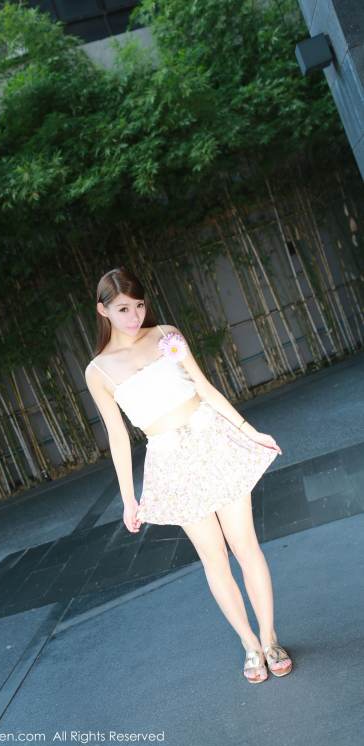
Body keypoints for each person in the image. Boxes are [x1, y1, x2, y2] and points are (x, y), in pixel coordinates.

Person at [84, 267, 293, 684]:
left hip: (211, 439)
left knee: (245, 544)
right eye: (123, 309)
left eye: (138, 305)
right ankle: (250, 645)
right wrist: (128, 498)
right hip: (169, 459)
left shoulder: (166, 334)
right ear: (103, 310)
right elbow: (118, 437)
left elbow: (205, 388)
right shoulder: (98, 371)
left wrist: (249, 430)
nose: (134, 316)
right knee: (213, 557)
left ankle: (270, 639)